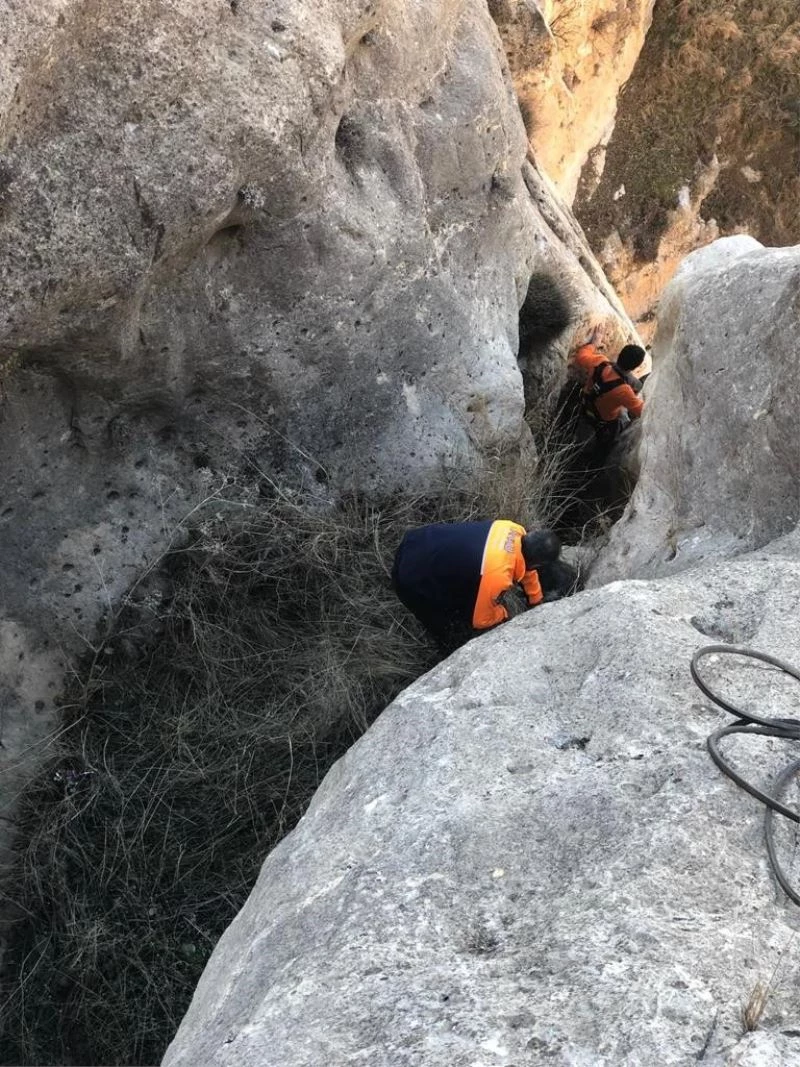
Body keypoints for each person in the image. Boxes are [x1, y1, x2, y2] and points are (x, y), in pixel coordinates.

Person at [391, 519, 561, 649]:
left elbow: (527, 568)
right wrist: (503, 613)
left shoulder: (513, 529)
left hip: (418, 540)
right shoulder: (498, 576)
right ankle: (440, 648)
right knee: (444, 621)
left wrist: (535, 600)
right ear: (538, 565)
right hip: (410, 578)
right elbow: (481, 620)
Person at [573, 327, 647, 446]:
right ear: (634, 368)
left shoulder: (600, 362)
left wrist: (594, 344)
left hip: (586, 405)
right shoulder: (624, 391)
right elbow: (641, 411)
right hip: (603, 420)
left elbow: (581, 356)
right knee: (623, 420)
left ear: (619, 355)